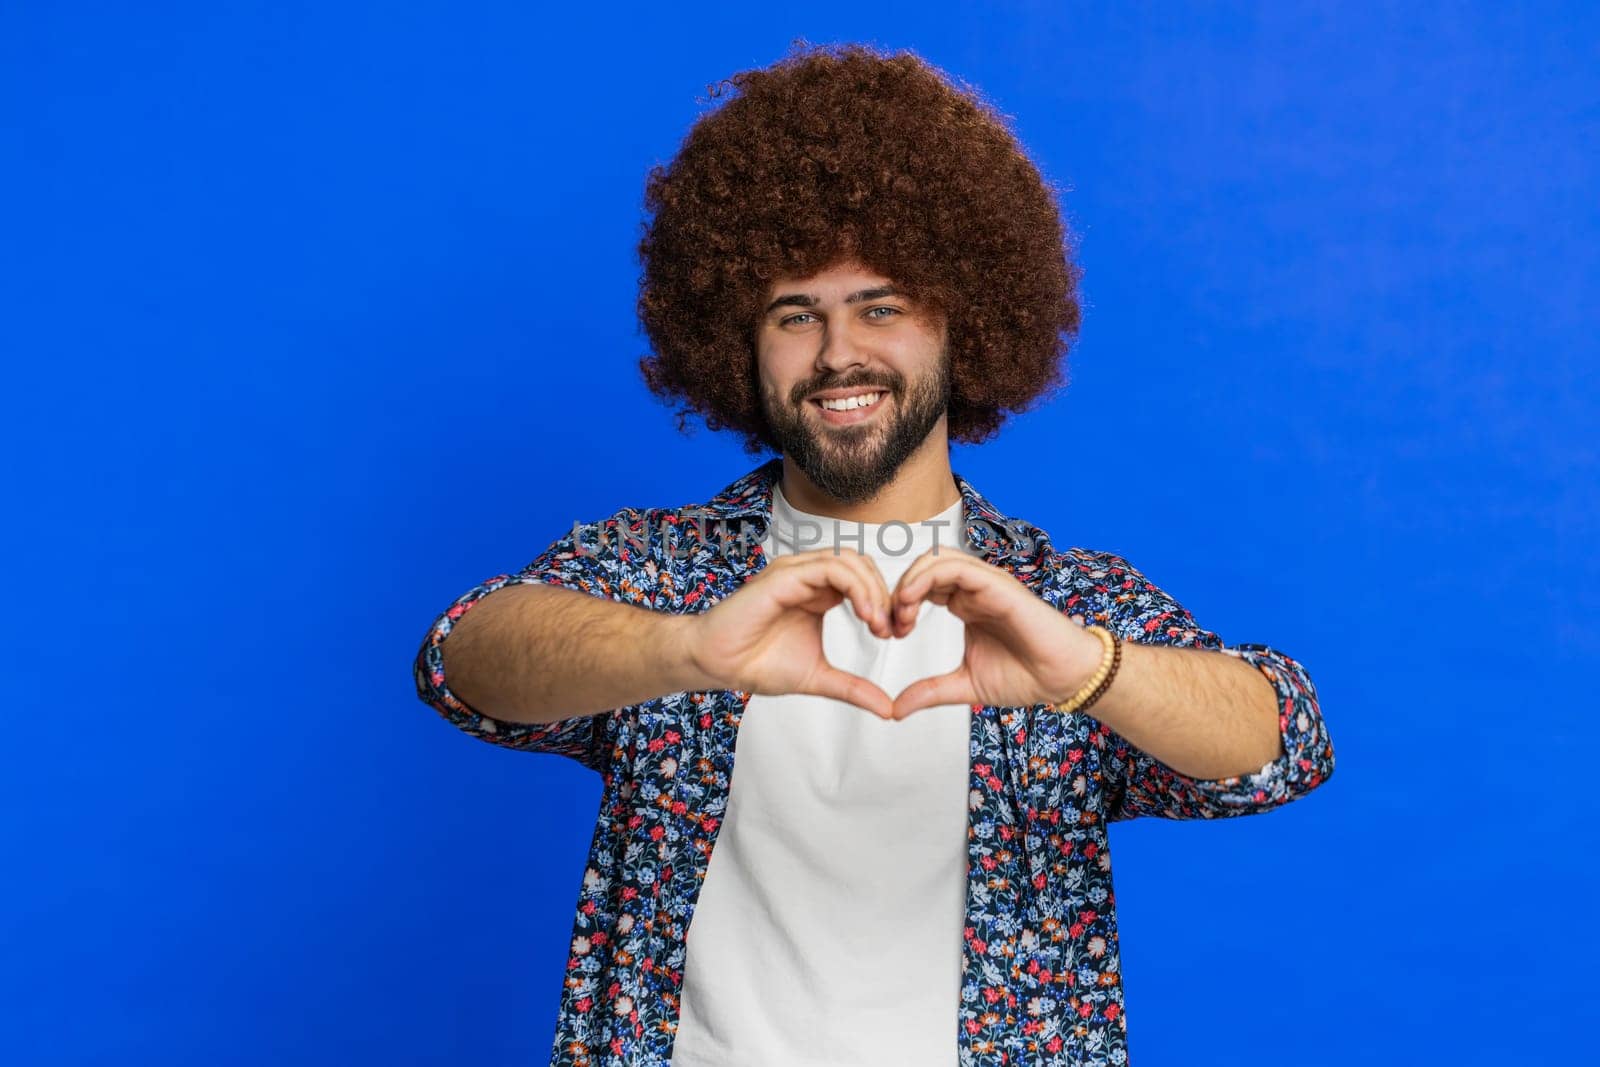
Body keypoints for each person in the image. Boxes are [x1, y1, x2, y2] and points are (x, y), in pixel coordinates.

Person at [412, 41, 1335, 1067]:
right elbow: (463, 661)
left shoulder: (1059, 600)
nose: (837, 352)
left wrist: (1086, 671)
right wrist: (687, 652)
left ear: (964, 320)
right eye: (793, 313)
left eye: (880, 306)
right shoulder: (662, 574)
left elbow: (1280, 744)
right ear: (736, 341)